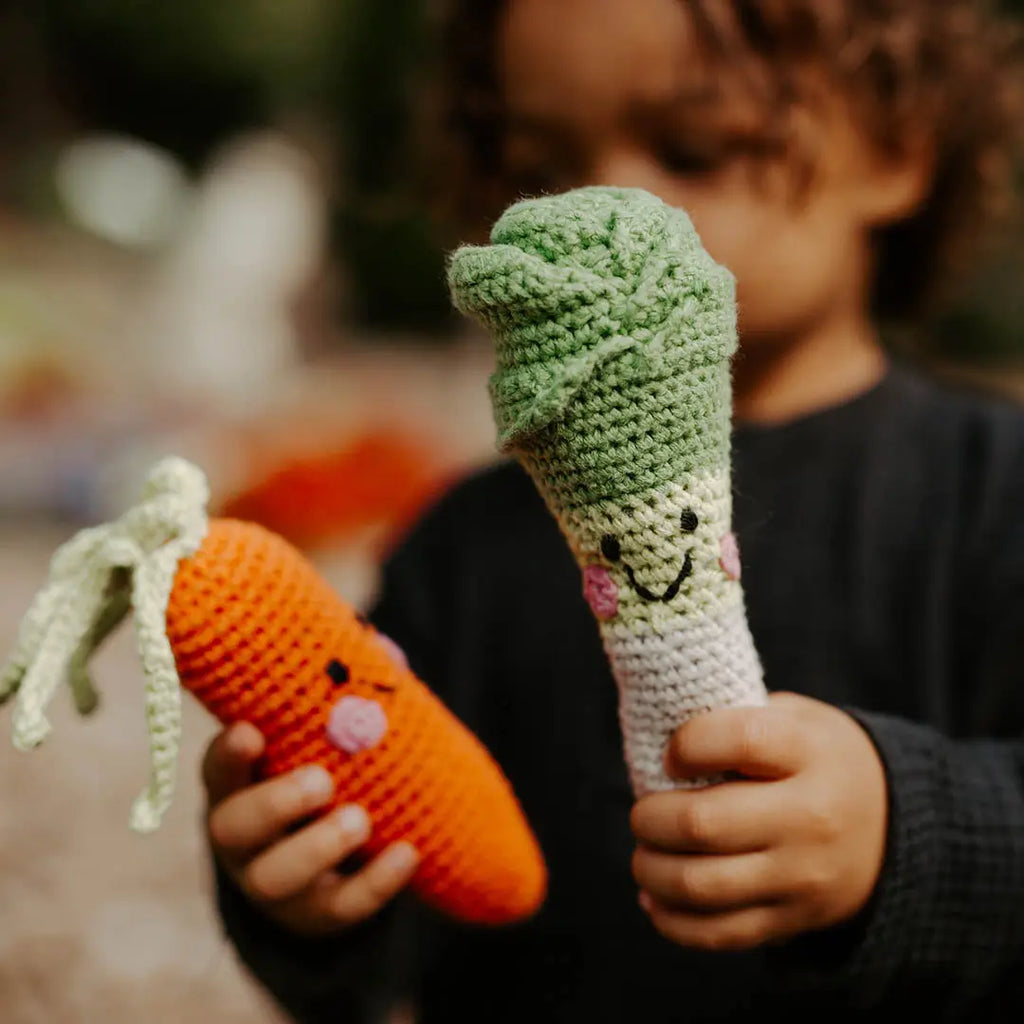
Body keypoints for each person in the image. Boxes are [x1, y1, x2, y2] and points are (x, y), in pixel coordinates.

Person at [200, 1, 1024, 1020]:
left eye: (694, 148)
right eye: (543, 167)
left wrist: (913, 837)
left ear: (898, 148)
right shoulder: (464, 548)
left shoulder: (992, 497)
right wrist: (312, 897)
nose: (606, 206)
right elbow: (401, 930)